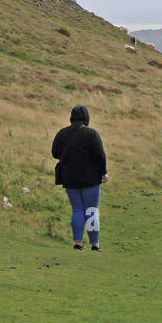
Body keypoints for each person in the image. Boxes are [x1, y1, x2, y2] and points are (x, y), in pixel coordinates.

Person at [51, 105, 107, 251]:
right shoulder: (91, 134)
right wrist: (103, 172)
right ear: (87, 118)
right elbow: (100, 155)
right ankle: (94, 244)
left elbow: (55, 153)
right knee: (91, 210)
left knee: (77, 209)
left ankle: (77, 243)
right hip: (91, 178)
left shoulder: (62, 133)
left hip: (70, 177)